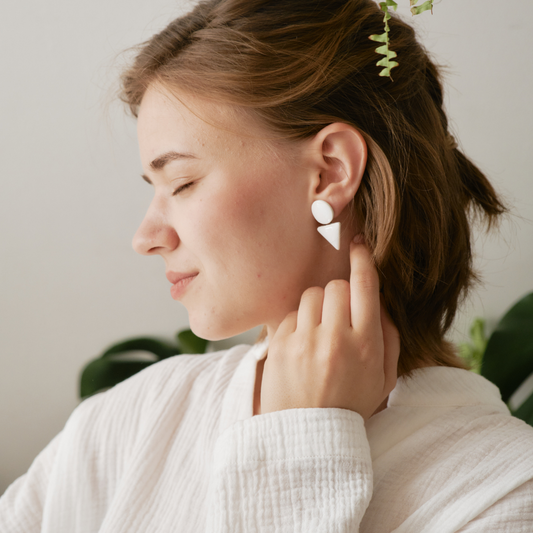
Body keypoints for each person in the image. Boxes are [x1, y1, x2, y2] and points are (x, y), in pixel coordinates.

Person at [1, 0, 532, 531]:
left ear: (330, 171)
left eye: (182, 183)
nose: (146, 238)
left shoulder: (503, 493)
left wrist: (299, 447)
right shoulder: (131, 421)